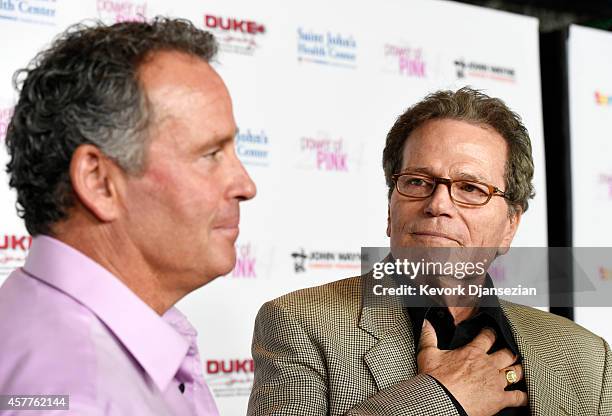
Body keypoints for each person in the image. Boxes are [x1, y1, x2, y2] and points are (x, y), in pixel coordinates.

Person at [247, 88, 611, 416]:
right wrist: (441, 397)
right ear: (391, 209)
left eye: (470, 188)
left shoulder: (587, 356)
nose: (438, 204)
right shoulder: (299, 323)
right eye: (417, 182)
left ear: (510, 225)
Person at [0, 18, 256, 415]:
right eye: (210, 155)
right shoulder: (74, 396)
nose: (245, 185)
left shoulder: (65, 340)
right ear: (99, 182)